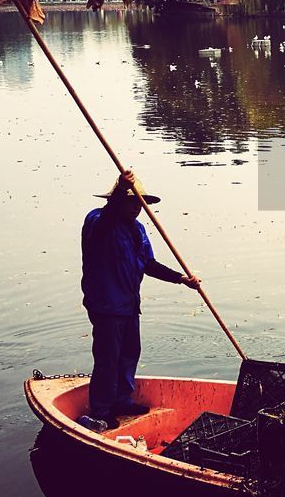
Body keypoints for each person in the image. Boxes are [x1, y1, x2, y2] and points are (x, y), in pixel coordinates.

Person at [77, 169, 201, 432]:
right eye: (131, 202)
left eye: (140, 203)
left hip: (130, 305)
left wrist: (181, 278)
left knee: (130, 353)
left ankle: (122, 400)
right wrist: (122, 188)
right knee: (107, 358)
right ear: (118, 201)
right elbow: (106, 222)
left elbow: (149, 264)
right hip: (106, 305)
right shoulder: (97, 222)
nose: (137, 208)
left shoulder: (137, 230)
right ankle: (101, 410)